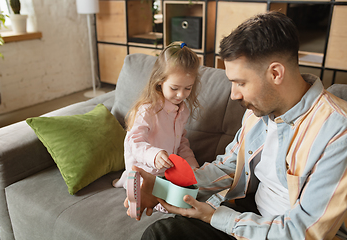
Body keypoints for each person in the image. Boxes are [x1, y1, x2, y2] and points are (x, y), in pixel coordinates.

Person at [124, 11, 347, 239]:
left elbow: (304, 232)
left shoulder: (337, 132)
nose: (233, 95)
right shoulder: (257, 112)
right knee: (162, 234)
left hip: (285, 233)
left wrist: (214, 216)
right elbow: (227, 168)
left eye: (240, 82)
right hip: (248, 214)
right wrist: (163, 187)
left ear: (276, 73)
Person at [113, 42, 200, 189]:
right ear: (160, 82)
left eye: (188, 88)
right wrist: (154, 155)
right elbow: (134, 142)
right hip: (142, 170)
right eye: (174, 88)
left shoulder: (182, 111)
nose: (181, 94)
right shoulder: (147, 110)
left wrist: (191, 164)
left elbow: (181, 142)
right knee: (158, 199)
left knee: (190, 191)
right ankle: (127, 181)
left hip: (165, 172)